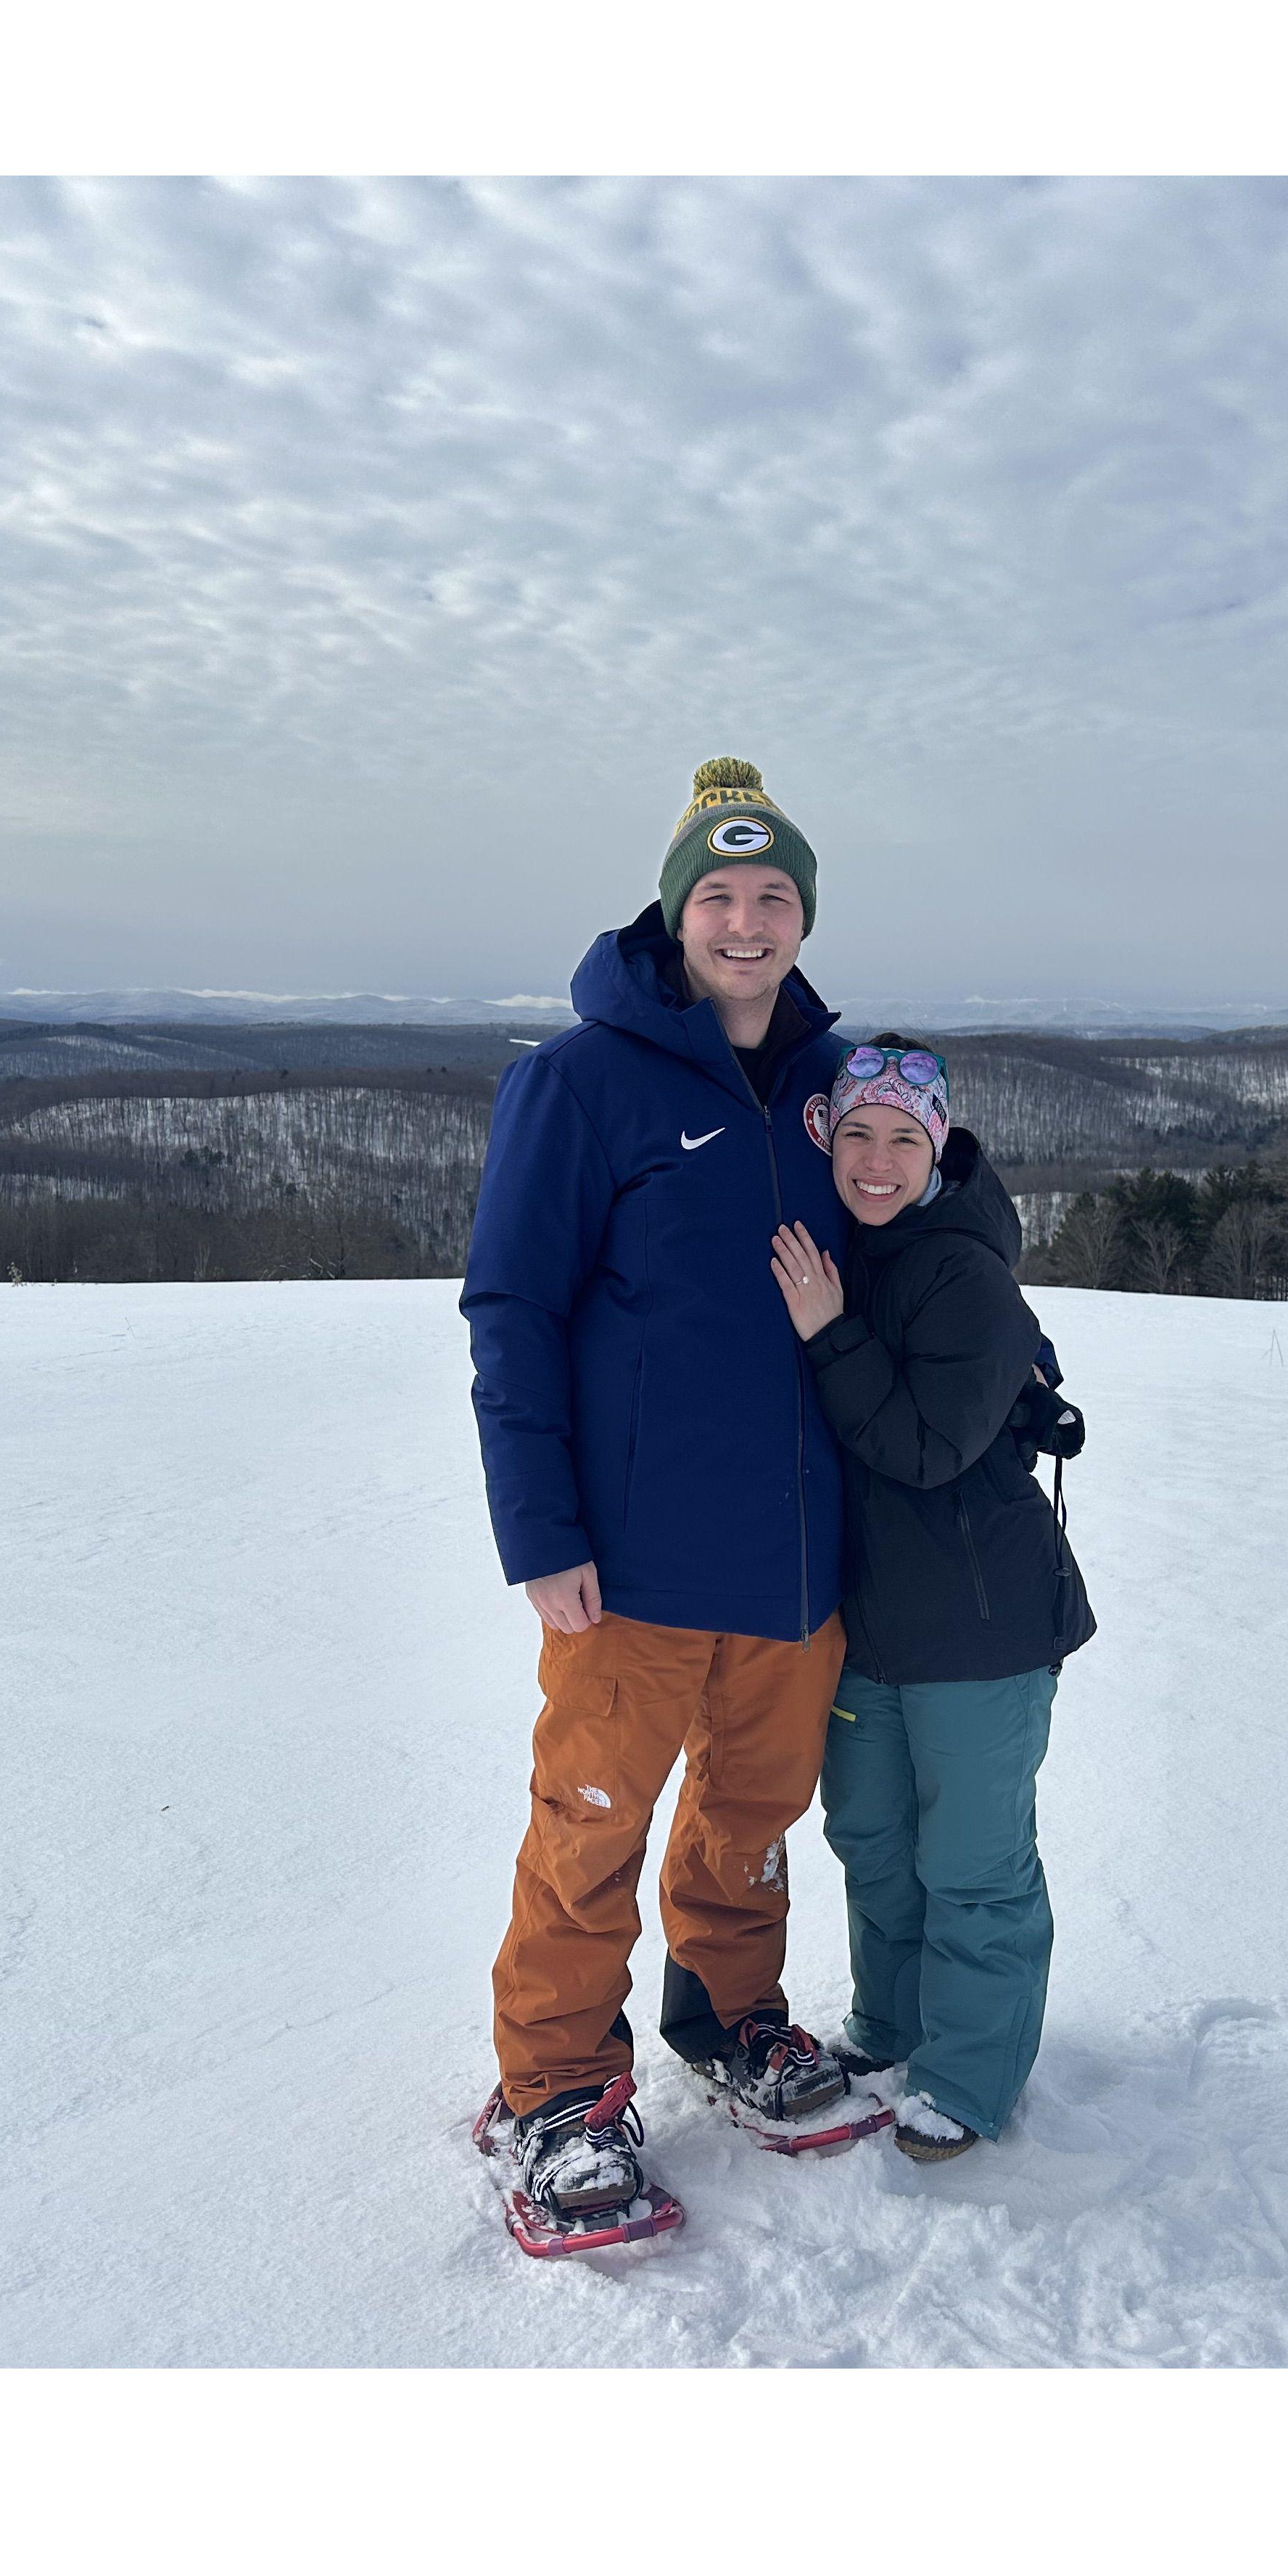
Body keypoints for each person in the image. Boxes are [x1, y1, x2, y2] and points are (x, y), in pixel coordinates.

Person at [461, 757, 855, 2227]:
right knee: (595, 1825)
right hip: (626, 1559)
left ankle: (728, 2013)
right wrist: (542, 1533)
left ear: (802, 917)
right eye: (720, 895)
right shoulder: (578, 1082)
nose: (745, 922)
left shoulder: (834, 1086)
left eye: (773, 897)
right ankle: (552, 2087)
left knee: (753, 1815)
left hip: (795, 1553)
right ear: (676, 912)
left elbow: (925, 1208)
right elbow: (512, 1308)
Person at [769, 1041, 1095, 2163]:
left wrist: (829, 1333)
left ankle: (969, 2072)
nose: (876, 1158)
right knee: (871, 1835)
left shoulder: (965, 1274)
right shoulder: (853, 1250)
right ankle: (894, 2024)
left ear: (938, 1147)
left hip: (982, 1624)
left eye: (904, 1137)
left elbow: (924, 1446)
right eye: (856, 1133)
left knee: (973, 1863)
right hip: (877, 1622)